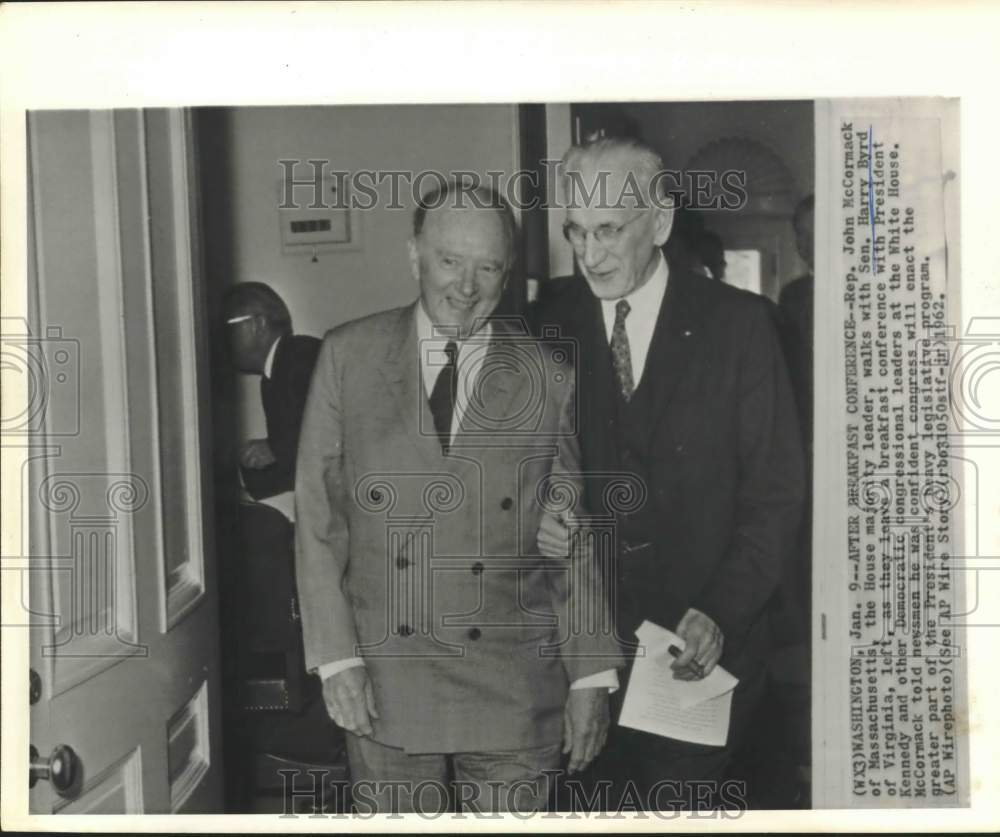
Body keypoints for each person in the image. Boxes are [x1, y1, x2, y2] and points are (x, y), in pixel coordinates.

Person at [294, 182, 623, 814]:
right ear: (414, 254)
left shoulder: (548, 376)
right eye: (450, 261)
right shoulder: (348, 357)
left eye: (488, 267)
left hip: (512, 682)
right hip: (386, 677)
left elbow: (569, 537)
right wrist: (335, 659)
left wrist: (590, 677)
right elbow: (317, 519)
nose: (466, 286)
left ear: (511, 275)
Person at [534, 137, 805, 810]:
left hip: (704, 652)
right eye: (575, 231)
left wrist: (720, 610)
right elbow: (521, 471)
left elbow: (775, 494)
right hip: (585, 656)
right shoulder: (544, 326)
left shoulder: (740, 327)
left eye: (607, 231)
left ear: (659, 222)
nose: (588, 254)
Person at [224, 282, 322, 505]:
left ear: (258, 324)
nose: (222, 338)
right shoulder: (276, 371)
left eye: (228, 326)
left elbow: (336, 432)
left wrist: (275, 448)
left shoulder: (300, 356)